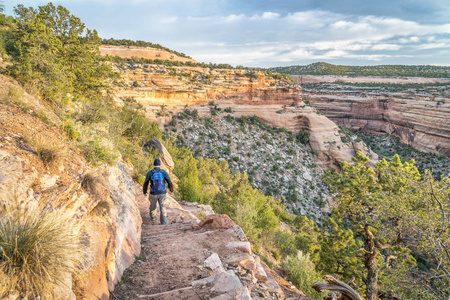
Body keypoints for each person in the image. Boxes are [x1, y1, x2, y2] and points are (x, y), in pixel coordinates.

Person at [143, 158, 174, 225]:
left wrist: (144, 191)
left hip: (153, 193)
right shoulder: (163, 172)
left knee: (153, 205)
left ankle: (153, 217)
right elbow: (169, 181)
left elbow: (146, 183)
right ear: (160, 164)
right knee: (162, 206)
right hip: (162, 193)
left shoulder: (150, 172)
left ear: (154, 164)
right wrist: (171, 190)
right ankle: (163, 222)